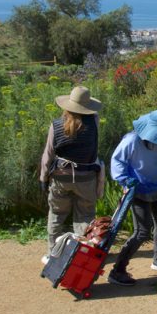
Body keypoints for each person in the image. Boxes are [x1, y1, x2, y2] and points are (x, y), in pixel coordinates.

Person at [108, 108, 157, 286]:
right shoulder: (132, 140)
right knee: (142, 232)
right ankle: (117, 270)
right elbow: (117, 161)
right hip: (137, 188)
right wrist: (125, 180)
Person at [40, 86, 104, 264]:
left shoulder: (56, 125)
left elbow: (48, 154)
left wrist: (43, 178)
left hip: (61, 177)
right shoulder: (95, 121)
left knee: (57, 215)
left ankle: (53, 254)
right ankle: (82, 254)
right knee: (85, 216)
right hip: (86, 177)